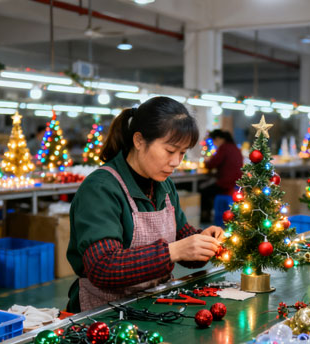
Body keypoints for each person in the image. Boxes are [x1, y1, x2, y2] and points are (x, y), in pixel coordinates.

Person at [66, 97, 225, 312]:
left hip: (153, 303)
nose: (176, 162)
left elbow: (181, 237)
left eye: (182, 153)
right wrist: (173, 252)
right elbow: (103, 267)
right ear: (139, 141)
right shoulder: (101, 188)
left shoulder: (163, 185)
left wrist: (202, 242)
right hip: (103, 313)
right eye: (170, 151)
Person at [201, 129, 243, 223]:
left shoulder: (224, 148)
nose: (215, 144)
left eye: (214, 141)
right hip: (236, 184)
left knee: (204, 191)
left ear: (219, 138)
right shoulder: (235, 148)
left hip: (226, 184)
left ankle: (205, 219)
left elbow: (211, 164)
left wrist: (206, 162)